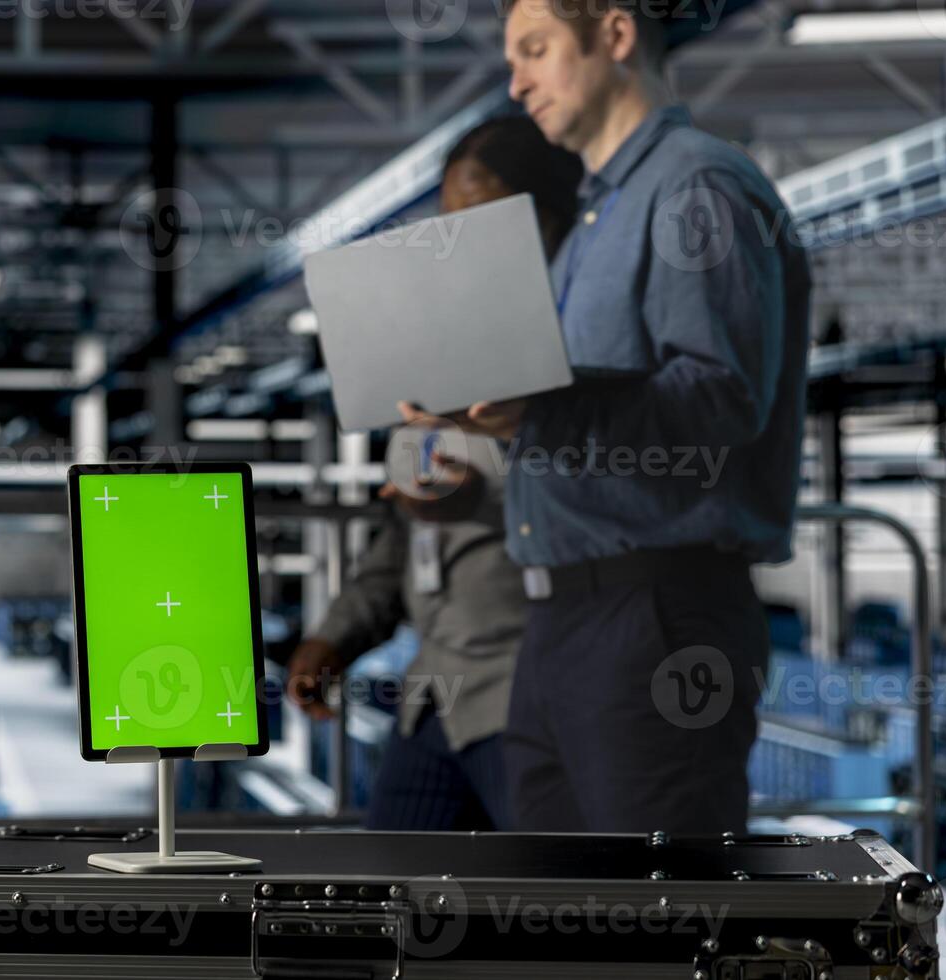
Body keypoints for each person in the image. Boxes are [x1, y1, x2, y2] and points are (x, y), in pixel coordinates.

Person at [434, 0, 811, 833]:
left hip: (657, 617)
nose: (515, 79)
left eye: (535, 50)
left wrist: (543, 414)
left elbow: (723, 399)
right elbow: (582, 414)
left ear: (614, 35)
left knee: (658, 926)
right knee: (554, 929)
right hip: (560, 619)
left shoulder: (696, 190)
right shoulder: (592, 226)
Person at [286, 116, 583, 832]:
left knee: (542, 902)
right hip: (435, 695)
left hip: (529, 689)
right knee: (395, 898)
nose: (459, 244)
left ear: (544, 223)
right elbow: (402, 537)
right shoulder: (429, 370)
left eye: (479, 220)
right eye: (450, 220)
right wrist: (334, 637)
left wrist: (486, 498)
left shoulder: (576, 349)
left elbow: (615, 494)